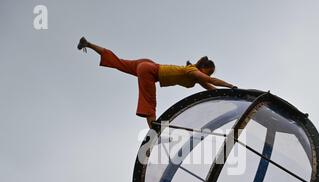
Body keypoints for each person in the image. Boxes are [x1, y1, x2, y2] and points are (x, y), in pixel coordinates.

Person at [77, 37, 237, 128]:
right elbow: (210, 81)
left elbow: (210, 88)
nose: (207, 76)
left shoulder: (194, 74)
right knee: (149, 103)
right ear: (203, 67)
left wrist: (229, 97)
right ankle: (154, 129)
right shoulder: (192, 71)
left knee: (118, 62)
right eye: (208, 72)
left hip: (147, 65)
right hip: (150, 71)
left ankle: (88, 44)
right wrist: (231, 86)